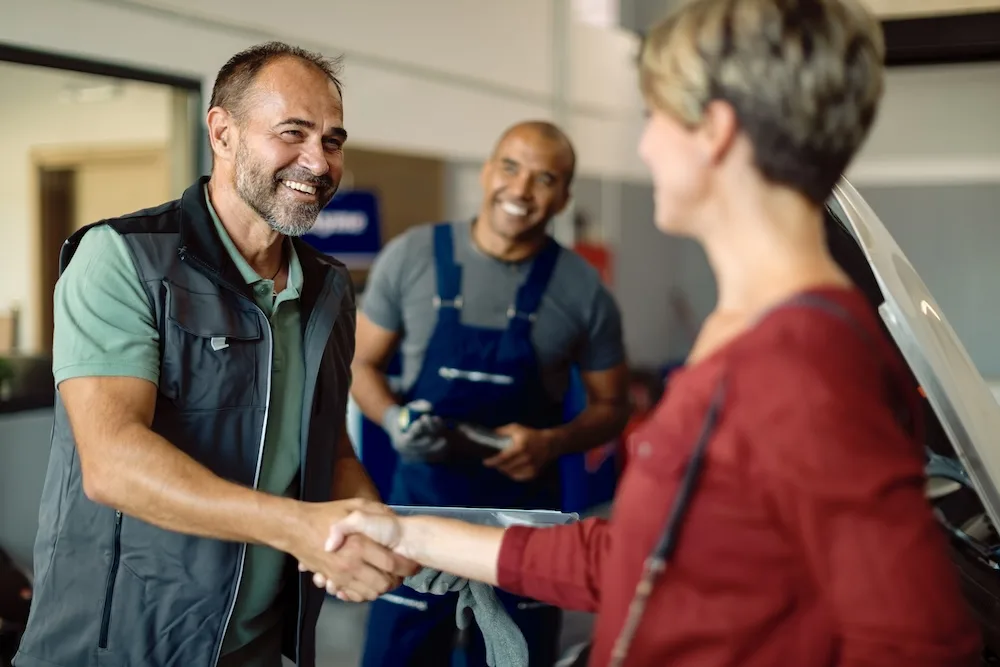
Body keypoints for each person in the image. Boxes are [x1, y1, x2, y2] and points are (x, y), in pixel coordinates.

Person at [313, 1, 984, 665]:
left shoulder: (801, 365)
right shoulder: (751, 335)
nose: (644, 143)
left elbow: (916, 641)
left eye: (653, 117)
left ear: (715, 132)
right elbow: (642, 554)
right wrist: (410, 532)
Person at [13, 42, 416, 667]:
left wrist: (375, 531)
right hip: (117, 644)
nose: (318, 161)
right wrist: (296, 528)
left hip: (256, 645)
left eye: (332, 141)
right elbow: (112, 462)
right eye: (293, 133)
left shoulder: (329, 288)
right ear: (222, 133)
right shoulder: (122, 259)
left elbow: (327, 447)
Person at [348, 120, 631, 666]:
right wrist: (394, 421)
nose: (521, 190)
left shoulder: (584, 291)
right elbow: (360, 363)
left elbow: (613, 407)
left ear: (564, 197)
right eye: (510, 166)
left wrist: (550, 443)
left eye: (544, 178)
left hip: (523, 531)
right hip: (419, 522)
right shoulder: (412, 257)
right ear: (486, 172)